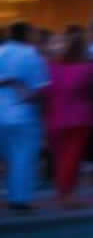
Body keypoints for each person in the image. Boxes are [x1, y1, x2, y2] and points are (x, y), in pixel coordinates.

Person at [44, 29, 93, 209]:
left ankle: (62, 192)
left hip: (55, 116)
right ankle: (68, 194)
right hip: (81, 116)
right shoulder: (90, 68)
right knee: (73, 157)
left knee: (61, 156)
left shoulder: (51, 67)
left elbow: (45, 92)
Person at [0, 21, 52, 212]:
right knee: (23, 157)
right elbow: (40, 88)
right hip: (23, 113)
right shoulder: (31, 55)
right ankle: (19, 199)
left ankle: (11, 193)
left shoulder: (1, 52)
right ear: (26, 34)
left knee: (7, 157)